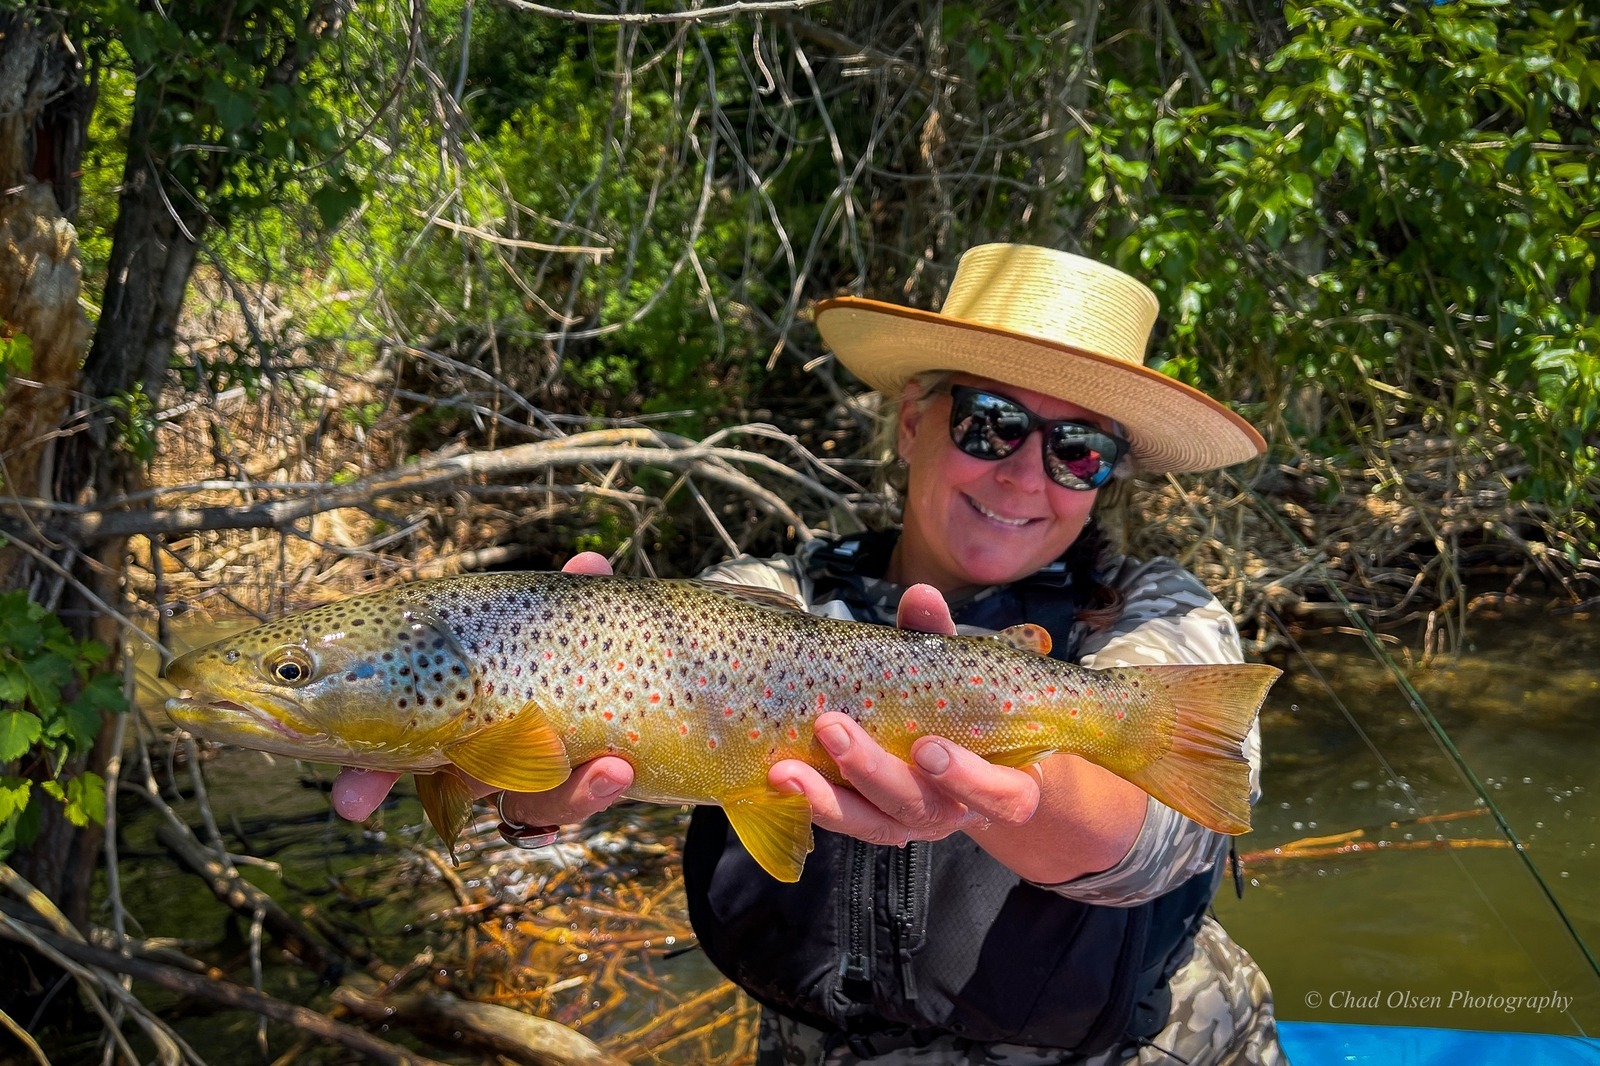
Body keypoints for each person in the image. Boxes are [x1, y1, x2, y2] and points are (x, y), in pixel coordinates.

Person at [331, 243, 1284, 1064]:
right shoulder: (772, 591)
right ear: (913, 419)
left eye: (1078, 450)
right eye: (988, 422)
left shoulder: (1159, 612)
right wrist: (533, 800)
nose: (1024, 472)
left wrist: (1005, 791)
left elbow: (1166, 839)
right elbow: (653, 676)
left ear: (1106, 479)